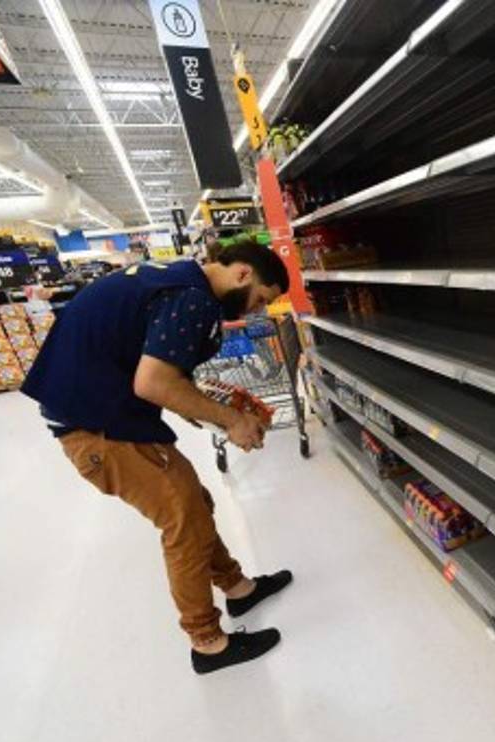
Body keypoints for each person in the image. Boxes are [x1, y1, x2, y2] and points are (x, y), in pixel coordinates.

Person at [22, 241, 294, 674]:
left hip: (100, 413)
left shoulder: (174, 278)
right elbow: (154, 383)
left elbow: (159, 373)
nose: (258, 311)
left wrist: (209, 411)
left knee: (194, 503)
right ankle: (207, 642)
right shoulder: (192, 300)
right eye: (261, 298)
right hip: (99, 429)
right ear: (243, 273)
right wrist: (233, 421)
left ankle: (239, 589)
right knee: (183, 521)